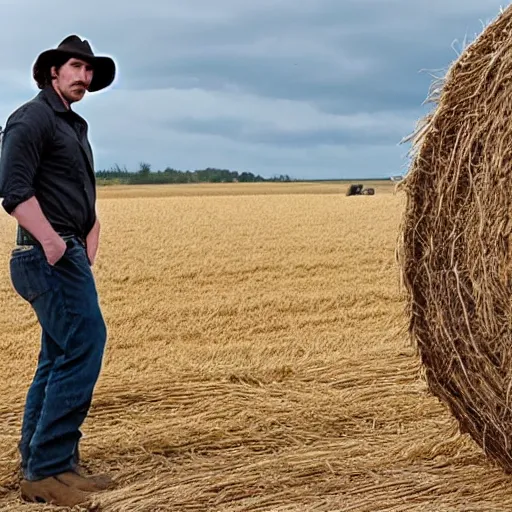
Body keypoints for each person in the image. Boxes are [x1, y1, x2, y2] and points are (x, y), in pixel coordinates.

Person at [0, 35, 116, 507]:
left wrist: (91, 225)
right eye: (75, 66)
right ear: (53, 71)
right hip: (45, 254)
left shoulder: (71, 124)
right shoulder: (32, 118)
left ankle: (47, 462)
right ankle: (47, 470)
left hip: (65, 248)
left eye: (89, 71)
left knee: (58, 355)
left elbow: (69, 185)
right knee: (85, 345)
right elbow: (13, 189)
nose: (83, 77)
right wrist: (51, 241)